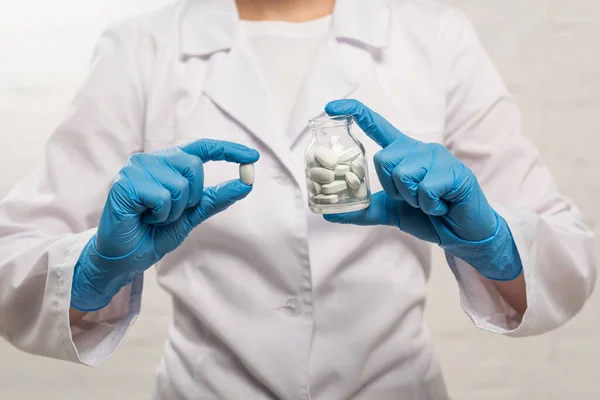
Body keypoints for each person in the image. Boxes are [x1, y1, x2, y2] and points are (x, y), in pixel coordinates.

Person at [0, 0, 595, 398]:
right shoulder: (145, 45)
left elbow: (565, 252)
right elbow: (16, 257)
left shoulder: (432, 34)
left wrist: (491, 242)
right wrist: (95, 272)